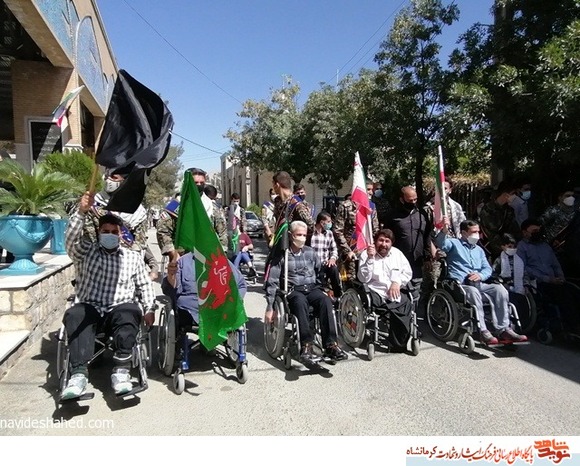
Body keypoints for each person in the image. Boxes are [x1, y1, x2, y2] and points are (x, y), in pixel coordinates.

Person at [61, 192, 156, 399]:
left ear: (120, 234)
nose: (110, 235)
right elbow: (70, 241)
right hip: (91, 307)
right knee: (75, 313)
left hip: (118, 309)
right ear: (99, 232)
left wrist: (149, 308)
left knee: (131, 310)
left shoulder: (132, 258)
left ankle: (121, 372)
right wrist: (81, 212)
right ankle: (78, 376)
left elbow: (145, 285)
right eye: (106, 231)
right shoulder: (86, 252)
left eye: (114, 232)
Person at [264, 221, 348, 363]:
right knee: (300, 301)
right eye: (299, 235)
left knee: (325, 301)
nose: (302, 238)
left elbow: (319, 272)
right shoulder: (282, 255)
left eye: (304, 235)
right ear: (291, 235)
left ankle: (331, 345)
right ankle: (306, 345)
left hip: (312, 288)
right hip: (293, 290)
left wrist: (325, 288)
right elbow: (272, 281)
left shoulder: (310, 252)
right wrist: (270, 306)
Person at [435, 218, 527, 345]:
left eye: (478, 231)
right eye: (474, 232)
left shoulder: (479, 250)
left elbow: (487, 269)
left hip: (479, 283)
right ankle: (483, 330)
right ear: (464, 233)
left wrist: (480, 275)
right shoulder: (454, 243)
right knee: (474, 292)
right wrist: (444, 231)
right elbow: (441, 243)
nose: (477, 234)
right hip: (460, 285)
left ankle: (504, 329)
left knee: (500, 290)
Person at [517, 218, 580, 332]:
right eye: (534, 231)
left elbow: (555, 264)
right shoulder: (521, 247)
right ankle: (573, 326)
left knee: (574, 292)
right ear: (525, 232)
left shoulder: (545, 246)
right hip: (538, 283)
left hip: (556, 281)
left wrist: (560, 277)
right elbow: (523, 268)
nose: (538, 233)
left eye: (539, 230)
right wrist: (548, 279)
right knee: (564, 296)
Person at [358, 229, 414, 349]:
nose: (384, 244)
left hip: (394, 290)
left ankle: (399, 342)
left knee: (405, 305)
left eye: (387, 241)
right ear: (375, 241)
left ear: (391, 243)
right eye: (381, 240)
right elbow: (363, 278)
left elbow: (408, 272)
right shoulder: (366, 254)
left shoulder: (397, 254)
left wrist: (397, 282)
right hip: (375, 291)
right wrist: (370, 259)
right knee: (381, 305)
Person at [157, 168, 224, 263]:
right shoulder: (176, 206)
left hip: (208, 259)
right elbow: (163, 231)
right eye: (195, 183)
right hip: (182, 259)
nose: (199, 185)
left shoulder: (211, 207)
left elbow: (223, 232)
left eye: (202, 183)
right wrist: (173, 253)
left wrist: (221, 255)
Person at [164, 252, 247, 328]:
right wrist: (171, 276)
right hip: (189, 311)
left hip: (218, 312)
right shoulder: (183, 262)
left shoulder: (223, 262)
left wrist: (233, 303)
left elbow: (241, 285)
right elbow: (171, 289)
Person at [84, 171, 149, 252]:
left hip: (128, 257)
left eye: (114, 177)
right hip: (98, 256)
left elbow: (140, 243)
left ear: (125, 181)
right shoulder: (92, 204)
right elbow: (88, 240)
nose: (108, 180)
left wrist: (132, 255)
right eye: (107, 176)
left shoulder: (138, 212)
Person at [383, 186, 434, 279]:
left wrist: (427, 257)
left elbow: (427, 236)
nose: (413, 202)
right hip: (398, 261)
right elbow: (386, 236)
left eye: (415, 199)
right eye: (410, 200)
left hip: (417, 261)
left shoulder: (422, 214)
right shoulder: (392, 215)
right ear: (402, 200)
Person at [333, 183, 379, 281]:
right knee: (350, 281)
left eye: (372, 190)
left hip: (367, 251)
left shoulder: (371, 206)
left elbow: (375, 229)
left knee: (367, 279)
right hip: (350, 251)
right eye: (368, 189)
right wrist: (347, 250)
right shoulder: (345, 206)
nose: (371, 192)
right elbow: (337, 230)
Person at [479, 181, 520, 260]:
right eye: (513, 194)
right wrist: (501, 246)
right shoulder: (489, 209)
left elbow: (513, 229)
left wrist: (512, 244)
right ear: (505, 194)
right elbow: (490, 231)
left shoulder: (509, 210)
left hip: (507, 247)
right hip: (490, 248)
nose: (515, 197)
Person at [310, 211, 341, 299]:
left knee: (334, 269)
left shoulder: (329, 233)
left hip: (325, 263)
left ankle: (338, 295)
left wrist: (333, 258)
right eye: (328, 222)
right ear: (322, 222)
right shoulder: (311, 234)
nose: (330, 224)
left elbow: (334, 249)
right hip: (313, 265)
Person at [203, 184, 228, 250]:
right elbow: (222, 232)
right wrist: (224, 250)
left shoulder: (199, 207)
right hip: (213, 248)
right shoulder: (218, 209)